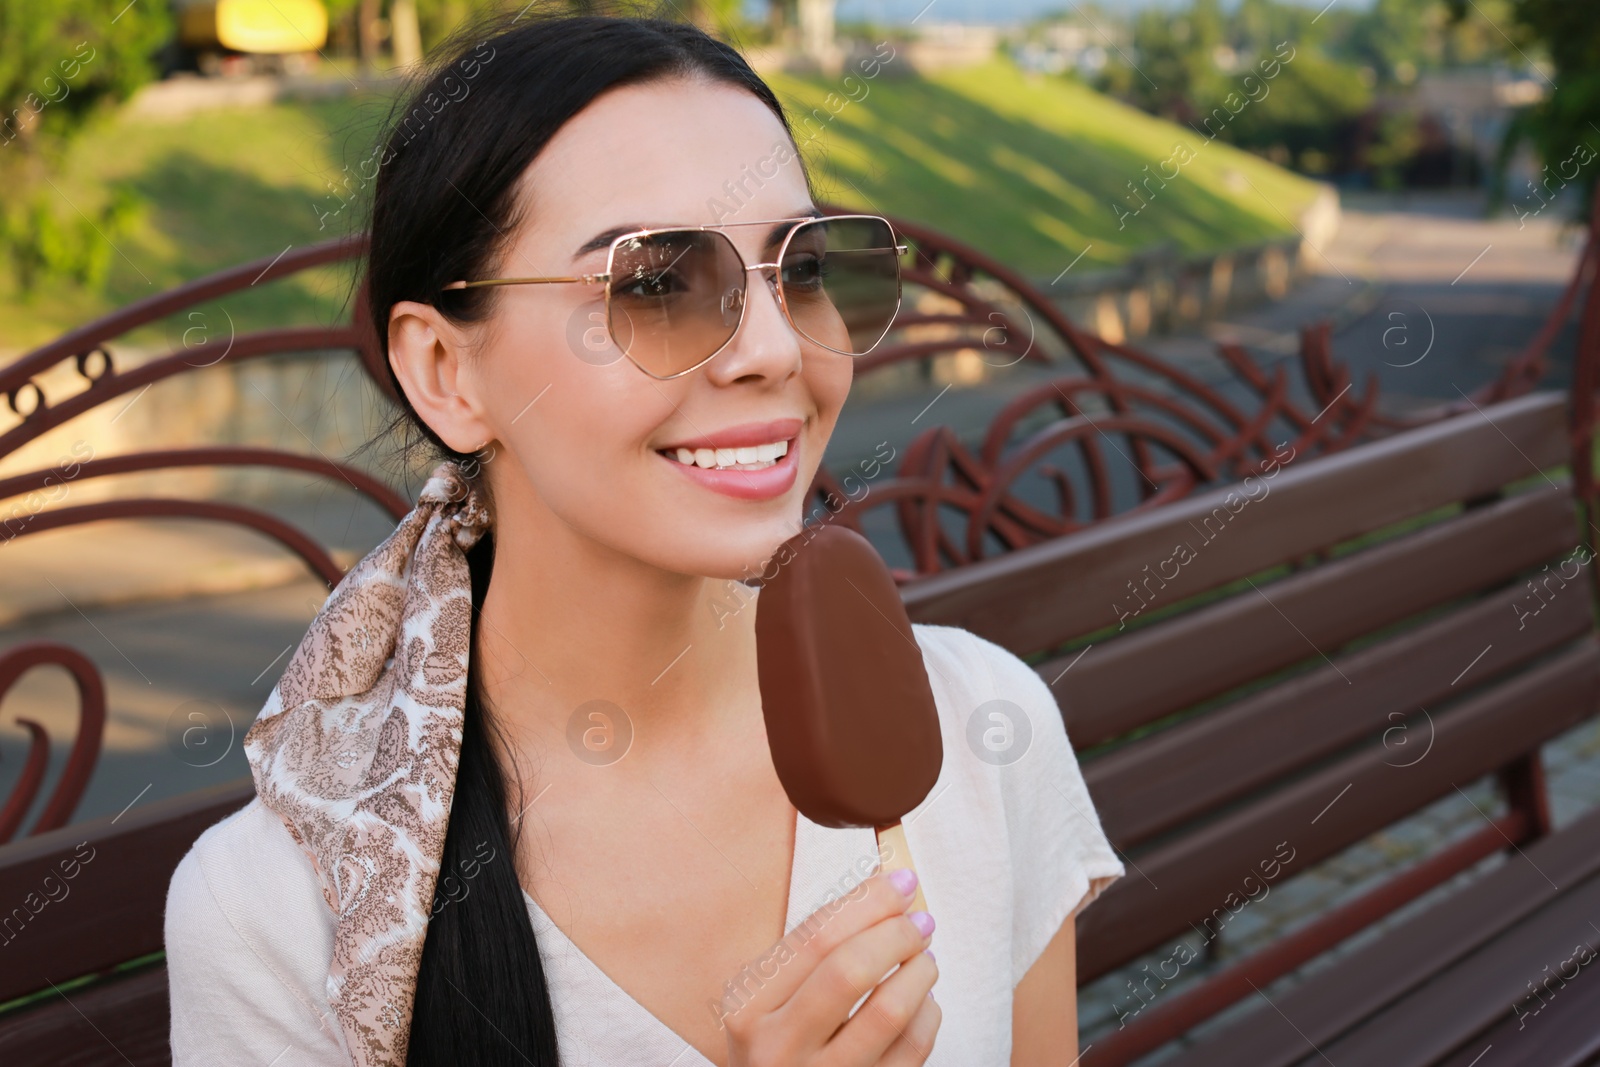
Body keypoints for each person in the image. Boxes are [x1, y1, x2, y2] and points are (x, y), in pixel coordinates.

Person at [163, 10, 1124, 1066]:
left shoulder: (983, 729)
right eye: (656, 283)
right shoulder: (276, 911)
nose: (770, 347)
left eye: (805, 268)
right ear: (447, 372)